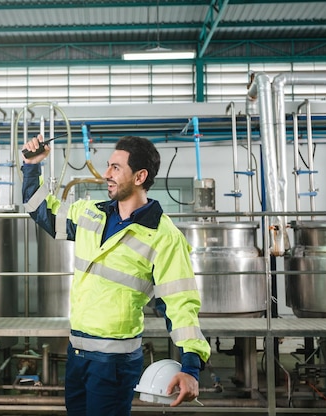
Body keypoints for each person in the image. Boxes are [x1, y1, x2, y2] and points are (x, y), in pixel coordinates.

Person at [21, 134, 211, 416]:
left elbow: (180, 303)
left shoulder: (163, 236)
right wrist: (31, 165)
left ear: (139, 176)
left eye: (116, 168)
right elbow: (41, 210)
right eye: (108, 166)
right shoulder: (90, 215)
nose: (106, 174)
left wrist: (191, 367)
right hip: (77, 354)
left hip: (114, 363)